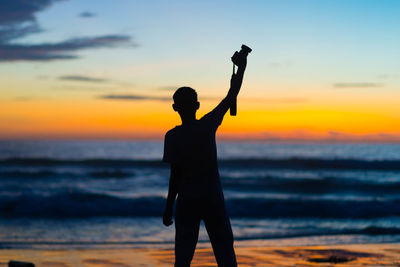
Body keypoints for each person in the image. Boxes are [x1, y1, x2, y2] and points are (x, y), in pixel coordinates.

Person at [162, 54, 247, 267]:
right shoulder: (207, 125)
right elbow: (231, 96)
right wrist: (242, 67)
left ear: (175, 108)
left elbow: (175, 175)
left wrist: (168, 206)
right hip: (212, 199)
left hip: (187, 200)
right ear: (197, 105)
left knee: (183, 255)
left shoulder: (172, 136)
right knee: (225, 251)